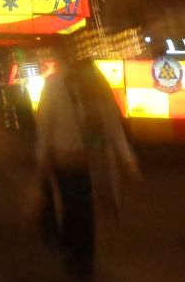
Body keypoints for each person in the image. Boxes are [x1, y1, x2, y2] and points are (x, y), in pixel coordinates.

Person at [33, 41, 137, 279]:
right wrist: (42, 162)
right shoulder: (55, 87)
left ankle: (82, 261)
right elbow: (45, 129)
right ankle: (75, 257)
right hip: (66, 165)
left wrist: (126, 159)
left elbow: (112, 124)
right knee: (74, 212)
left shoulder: (96, 87)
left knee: (84, 214)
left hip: (91, 165)